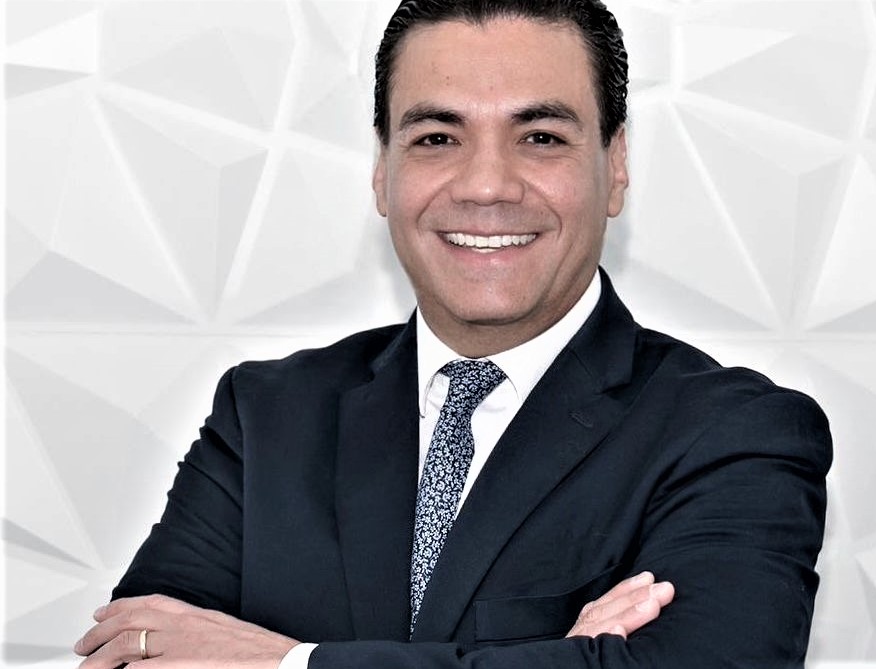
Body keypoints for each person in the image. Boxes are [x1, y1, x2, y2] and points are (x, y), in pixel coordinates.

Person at [74, 1, 832, 667]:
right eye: (437, 138)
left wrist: (291, 662)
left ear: (617, 164)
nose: (486, 185)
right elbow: (133, 656)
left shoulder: (735, 435)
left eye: (541, 137)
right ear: (383, 170)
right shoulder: (265, 415)